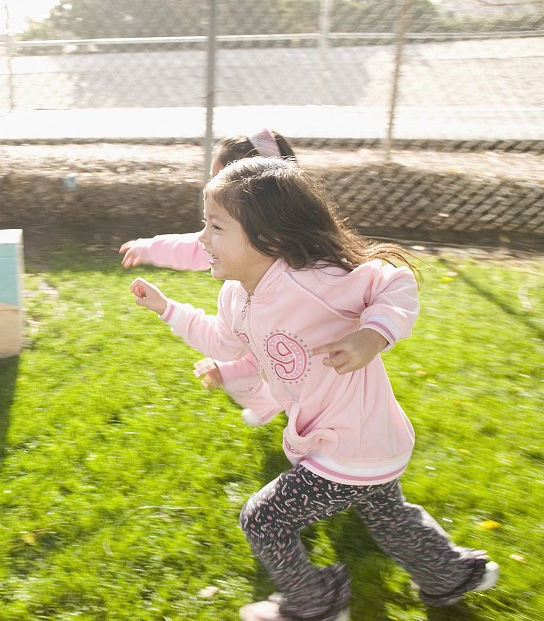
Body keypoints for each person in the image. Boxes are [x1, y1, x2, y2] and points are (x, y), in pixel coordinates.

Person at [129, 157, 498, 621]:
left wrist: (373, 334)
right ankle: (450, 575)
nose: (202, 239)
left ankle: (316, 603)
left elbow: (394, 281)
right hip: (354, 440)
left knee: (263, 518)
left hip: (352, 443)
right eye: (205, 225)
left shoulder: (318, 280)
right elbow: (223, 341)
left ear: (272, 237)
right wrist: (167, 309)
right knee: (387, 515)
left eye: (216, 227)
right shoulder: (236, 295)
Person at [119, 129, 296, 425]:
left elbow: (271, 349)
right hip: (274, 359)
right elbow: (191, 247)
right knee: (238, 374)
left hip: (314, 387)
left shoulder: (287, 282)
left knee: (266, 381)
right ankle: (269, 405)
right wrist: (150, 249)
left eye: (219, 178)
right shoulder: (234, 262)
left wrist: (229, 370)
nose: (211, 187)